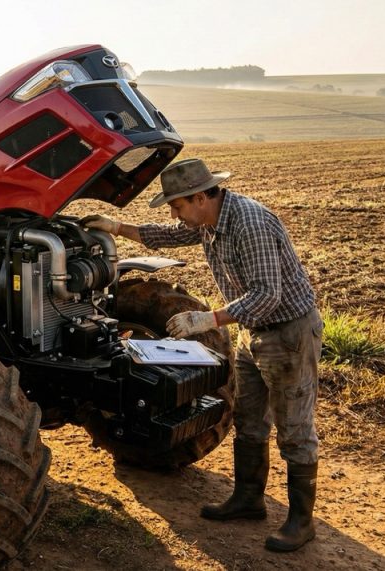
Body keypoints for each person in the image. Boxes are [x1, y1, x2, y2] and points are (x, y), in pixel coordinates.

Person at [83, 158, 323, 552]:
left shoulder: (249, 224)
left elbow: (268, 295)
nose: (177, 216)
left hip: (288, 333)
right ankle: (248, 499)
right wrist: (116, 228)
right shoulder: (210, 221)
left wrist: (206, 319)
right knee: (248, 418)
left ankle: (302, 522)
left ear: (198, 197)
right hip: (254, 331)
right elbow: (166, 236)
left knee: (294, 427)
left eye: (178, 207)